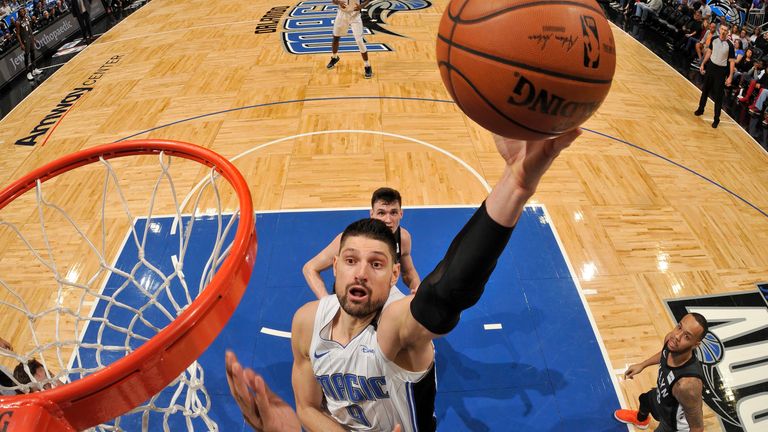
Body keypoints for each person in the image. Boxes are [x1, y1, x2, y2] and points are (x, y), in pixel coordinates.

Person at [225, 128, 582, 431]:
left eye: (377, 264)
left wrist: (515, 186)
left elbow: (447, 291)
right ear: (335, 266)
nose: (361, 272)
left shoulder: (395, 326)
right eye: (351, 261)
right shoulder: (306, 322)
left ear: (393, 273)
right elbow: (307, 408)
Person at [302, 187, 421, 298]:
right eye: (381, 213)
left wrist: (417, 289)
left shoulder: (403, 238)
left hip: (380, 294)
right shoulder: (350, 239)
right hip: (352, 297)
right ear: (372, 214)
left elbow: (408, 272)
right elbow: (310, 268)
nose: (388, 220)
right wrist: (326, 303)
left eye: (393, 213)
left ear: (401, 214)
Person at [614, 313, 708, 432]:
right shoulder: (670, 340)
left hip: (672, 424)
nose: (677, 336)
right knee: (644, 400)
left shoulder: (687, 385)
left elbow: (697, 428)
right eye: (679, 327)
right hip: (662, 396)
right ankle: (641, 421)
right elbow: (664, 354)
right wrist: (643, 365)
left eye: (687, 337)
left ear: (695, 345)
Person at [694, 23, 736, 128]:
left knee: (718, 96)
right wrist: (703, 63)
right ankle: (700, 109)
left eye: (725, 30)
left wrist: (730, 76)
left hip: (721, 71)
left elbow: (731, 62)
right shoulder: (714, 39)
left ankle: (716, 119)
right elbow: (709, 52)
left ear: (727, 32)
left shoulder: (730, 45)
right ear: (719, 29)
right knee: (705, 90)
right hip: (711, 67)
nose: (723, 31)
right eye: (722, 29)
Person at [326, 0, 373, 79]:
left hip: (355, 15)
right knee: (336, 37)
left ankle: (367, 66)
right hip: (342, 14)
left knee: (359, 41)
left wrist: (362, 5)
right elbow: (333, 0)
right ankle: (334, 57)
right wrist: (339, 3)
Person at [14, 7, 41, 81]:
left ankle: (34, 69)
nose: (23, 12)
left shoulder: (26, 18)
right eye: (21, 12)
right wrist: (21, 44)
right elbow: (18, 34)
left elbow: (29, 29)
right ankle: (28, 73)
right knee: (26, 55)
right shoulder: (17, 22)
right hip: (25, 41)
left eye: (23, 11)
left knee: (33, 53)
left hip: (30, 38)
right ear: (19, 13)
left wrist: (34, 39)